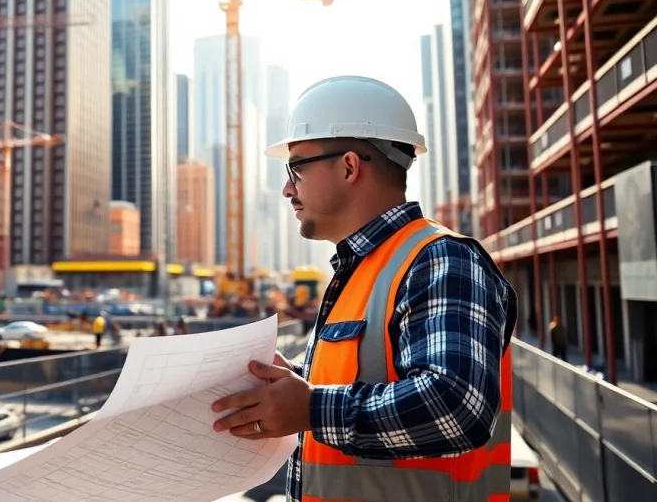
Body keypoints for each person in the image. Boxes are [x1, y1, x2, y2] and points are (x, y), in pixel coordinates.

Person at [209, 75, 518, 502]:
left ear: (350, 166)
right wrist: (297, 385)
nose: (286, 188)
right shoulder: (363, 271)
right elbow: (374, 381)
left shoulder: (442, 260)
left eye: (296, 167)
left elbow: (458, 406)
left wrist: (313, 408)